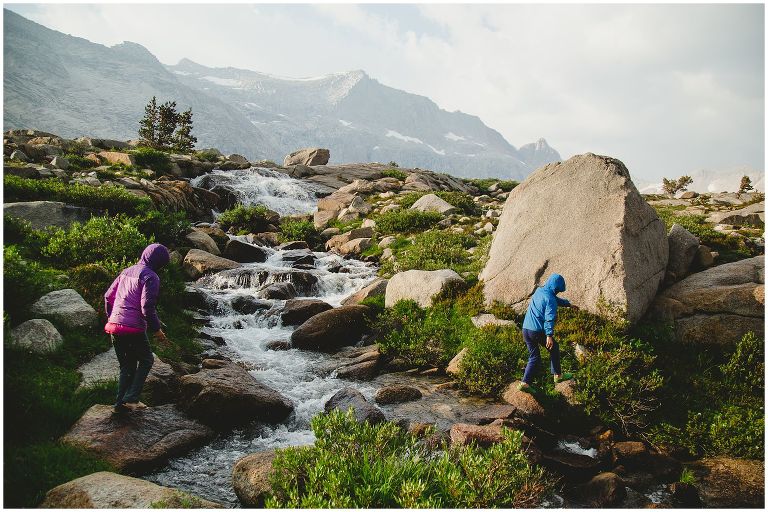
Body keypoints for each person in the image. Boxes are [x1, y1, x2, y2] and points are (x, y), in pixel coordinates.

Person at [104, 243, 171, 413]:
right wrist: (157, 330)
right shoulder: (151, 277)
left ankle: (120, 405)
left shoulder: (126, 271)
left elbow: (108, 296)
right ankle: (131, 397)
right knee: (147, 359)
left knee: (127, 365)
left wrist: (112, 317)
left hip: (114, 326)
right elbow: (147, 308)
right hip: (133, 327)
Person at [519, 273, 577, 394]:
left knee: (534, 357)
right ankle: (558, 375)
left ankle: (524, 383)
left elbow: (554, 298)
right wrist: (549, 336)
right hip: (536, 331)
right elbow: (549, 318)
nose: (557, 293)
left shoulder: (540, 291)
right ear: (556, 288)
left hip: (525, 329)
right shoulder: (550, 299)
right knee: (554, 347)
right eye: (558, 290)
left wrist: (568, 304)